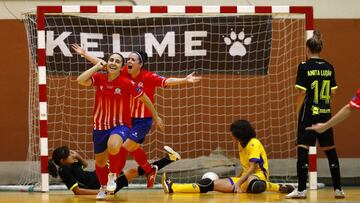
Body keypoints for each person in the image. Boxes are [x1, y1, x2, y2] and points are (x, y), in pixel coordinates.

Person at [72, 44, 200, 188]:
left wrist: (184, 80)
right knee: (126, 147)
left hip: (143, 120)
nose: (129, 62)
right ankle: (148, 170)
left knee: (125, 146)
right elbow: (105, 65)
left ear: (140, 64)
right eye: (128, 59)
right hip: (127, 119)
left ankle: (114, 175)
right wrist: (85, 54)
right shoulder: (123, 72)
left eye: (133, 60)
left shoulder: (148, 76)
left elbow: (166, 81)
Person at [77, 53, 164, 199]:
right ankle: (103, 188)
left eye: (117, 62)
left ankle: (113, 175)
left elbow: (145, 98)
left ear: (121, 67)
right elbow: (80, 80)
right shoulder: (99, 78)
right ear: (107, 63)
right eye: (111, 60)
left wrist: (156, 117)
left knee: (114, 145)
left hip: (120, 125)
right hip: (99, 126)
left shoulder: (126, 82)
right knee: (100, 162)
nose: (113, 63)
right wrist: (96, 66)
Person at [161, 119, 294, 194]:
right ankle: (173, 187)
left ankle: (278, 187)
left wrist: (239, 183)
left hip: (258, 175)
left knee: (255, 185)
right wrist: (238, 182)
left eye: (233, 134)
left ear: (240, 134)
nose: (231, 136)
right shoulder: (241, 144)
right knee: (209, 184)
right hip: (244, 178)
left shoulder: (254, 143)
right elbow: (245, 167)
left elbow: (252, 168)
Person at [286, 30, 345, 199]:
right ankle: (338, 189)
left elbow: (301, 93)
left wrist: (297, 111)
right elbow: (333, 93)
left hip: (308, 114)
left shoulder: (304, 66)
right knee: (330, 150)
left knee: (303, 149)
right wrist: (326, 107)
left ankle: (301, 190)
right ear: (321, 48)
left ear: (307, 48)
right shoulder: (329, 66)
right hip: (325, 114)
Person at [48, 145, 181, 195]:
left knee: (116, 155)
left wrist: (77, 156)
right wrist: (102, 191)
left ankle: (168, 160)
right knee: (134, 171)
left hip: (98, 176)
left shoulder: (70, 164)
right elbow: (77, 191)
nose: (72, 155)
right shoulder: (63, 171)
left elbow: (85, 165)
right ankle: (169, 159)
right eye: (70, 155)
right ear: (62, 161)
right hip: (102, 184)